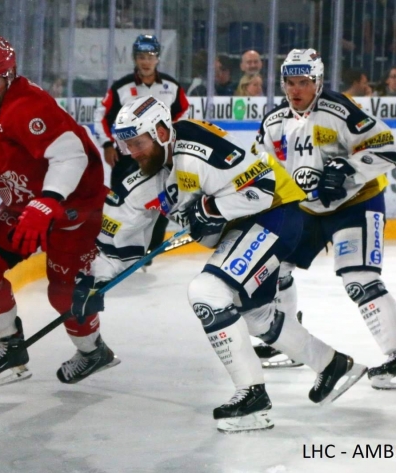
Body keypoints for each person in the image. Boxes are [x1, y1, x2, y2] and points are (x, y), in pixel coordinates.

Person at [72, 96, 367, 433]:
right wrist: (92, 280)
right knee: (256, 318)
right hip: (244, 228)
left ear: (161, 131)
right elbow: (118, 239)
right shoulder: (145, 174)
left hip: (276, 214)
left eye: (138, 143)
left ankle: (252, 395)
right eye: (126, 145)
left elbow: (263, 188)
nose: (132, 152)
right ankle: (333, 365)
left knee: (208, 292)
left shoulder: (197, 147)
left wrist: (211, 209)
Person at [0, 37, 116, 388]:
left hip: (72, 208)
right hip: (25, 205)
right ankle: (10, 349)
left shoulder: (29, 106)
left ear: (10, 74)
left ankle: (93, 351)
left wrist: (48, 200)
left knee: (64, 293)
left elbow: (73, 156)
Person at [256, 49, 396, 389]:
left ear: (317, 82)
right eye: (290, 82)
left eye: (303, 82)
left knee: (359, 279)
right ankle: (287, 342)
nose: (296, 89)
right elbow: (261, 169)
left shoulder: (340, 110)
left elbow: (387, 149)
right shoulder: (274, 123)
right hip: (306, 210)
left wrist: (348, 167)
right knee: (274, 268)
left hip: (356, 205)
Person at [93, 34, 189, 255]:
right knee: (120, 202)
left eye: (150, 56)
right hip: (128, 156)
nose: (146, 61)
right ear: (135, 59)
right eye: (141, 56)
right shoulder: (121, 87)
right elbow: (102, 116)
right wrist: (107, 144)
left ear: (157, 59)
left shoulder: (171, 86)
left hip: (160, 158)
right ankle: (113, 249)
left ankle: (150, 248)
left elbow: (183, 112)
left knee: (162, 203)